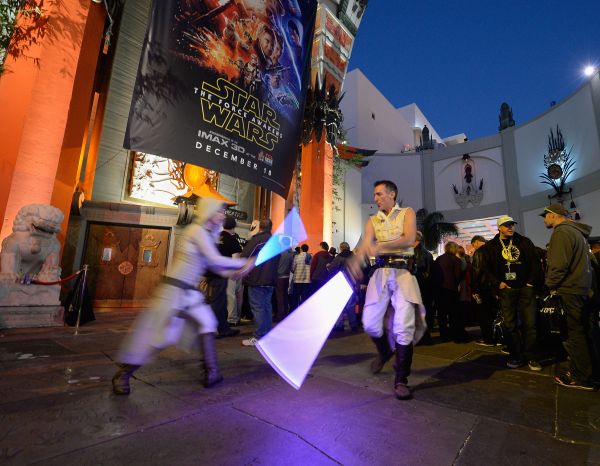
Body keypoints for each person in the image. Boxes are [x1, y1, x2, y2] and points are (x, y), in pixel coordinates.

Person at [112, 198, 254, 395]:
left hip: (189, 292)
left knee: (207, 324)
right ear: (209, 212)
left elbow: (215, 268)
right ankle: (124, 374)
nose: (223, 215)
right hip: (174, 290)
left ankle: (212, 372)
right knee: (161, 337)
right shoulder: (196, 231)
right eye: (220, 211)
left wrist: (237, 272)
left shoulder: (205, 234)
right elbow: (215, 259)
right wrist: (244, 263)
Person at [348, 180, 426, 400]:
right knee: (370, 323)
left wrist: (379, 246)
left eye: (379, 194)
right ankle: (384, 351)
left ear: (392, 194)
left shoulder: (407, 213)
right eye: (375, 195)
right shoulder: (373, 220)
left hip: (403, 273)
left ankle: (401, 379)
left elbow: (410, 238)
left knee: (404, 326)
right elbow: (365, 245)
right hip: (381, 273)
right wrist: (355, 262)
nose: (375, 198)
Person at [542, 204, 595, 390]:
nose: (544, 220)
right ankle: (587, 372)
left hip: (569, 290)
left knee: (573, 335)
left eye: (545, 216)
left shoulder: (561, 232)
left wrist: (550, 285)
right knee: (583, 332)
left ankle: (581, 378)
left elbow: (558, 265)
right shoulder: (577, 232)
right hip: (582, 289)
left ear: (553, 216)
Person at [483, 215, 542, 371]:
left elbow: (535, 263)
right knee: (510, 325)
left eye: (512, 225)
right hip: (507, 290)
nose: (510, 227)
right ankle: (516, 356)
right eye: (506, 225)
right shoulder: (491, 246)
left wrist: (530, 283)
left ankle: (532, 357)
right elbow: (486, 269)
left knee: (531, 324)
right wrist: (497, 283)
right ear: (499, 228)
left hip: (525, 289)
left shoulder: (524, 242)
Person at [240, 219, 279, 346]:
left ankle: (259, 336)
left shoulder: (257, 240)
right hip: (271, 280)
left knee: (258, 308)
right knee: (267, 307)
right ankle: (267, 334)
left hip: (257, 279)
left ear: (260, 227)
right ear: (271, 227)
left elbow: (245, 256)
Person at [205, 216, 242, 338]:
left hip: (210, 273)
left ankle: (224, 329)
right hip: (221, 275)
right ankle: (208, 330)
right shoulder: (231, 239)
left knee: (221, 301)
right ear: (233, 227)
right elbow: (237, 257)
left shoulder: (216, 236)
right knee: (218, 302)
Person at [470, 235, 496, 346]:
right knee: (493, 314)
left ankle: (488, 339)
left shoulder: (479, 252)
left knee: (483, 315)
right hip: (495, 287)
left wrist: (474, 289)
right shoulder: (494, 249)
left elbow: (477, 271)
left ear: (476, 242)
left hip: (483, 288)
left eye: (473, 245)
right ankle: (497, 337)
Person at [435, 241, 463, 342]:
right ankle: (454, 334)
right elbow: (458, 276)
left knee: (442, 315)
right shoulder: (456, 260)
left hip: (440, 290)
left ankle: (444, 335)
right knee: (453, 314)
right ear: (454, 249)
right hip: (451, 290)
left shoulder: (439, 258)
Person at [328, 242, 358, 332]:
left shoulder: (339, 257)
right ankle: (353, 324)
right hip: (352, 282)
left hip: (341, 282)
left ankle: (339, 325)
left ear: (341, 248)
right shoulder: (354, 257)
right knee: (351, 305)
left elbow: (332, 268)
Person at [413, 231, 436, 344]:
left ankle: (423, 338)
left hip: (421, 288)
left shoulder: (423, 254)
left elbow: (428, 273)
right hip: (419, 288)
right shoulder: (421, 253)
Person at [275, 236, 294, 322]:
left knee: (279, 297)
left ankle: (280, 315)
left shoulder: (280, 253)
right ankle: (285, 313)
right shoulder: (290, 253)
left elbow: (275, 265)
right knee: (285, 296)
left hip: (279, 277)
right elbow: (292, 267)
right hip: (287, 276)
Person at [291, 244, 311, 309]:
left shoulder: (297, 257)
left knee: (296, 296)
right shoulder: (311, 256)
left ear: (301, 249)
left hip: (297, 279)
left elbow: (293, 268)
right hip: (307, 280)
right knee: (304, 297)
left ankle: (295, 310)